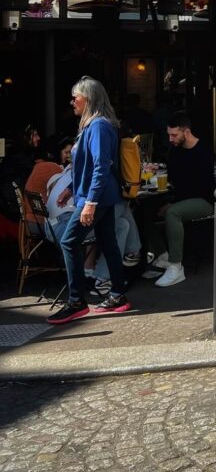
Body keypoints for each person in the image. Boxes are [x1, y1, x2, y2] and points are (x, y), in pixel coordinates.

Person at [47, 77, 130, 324]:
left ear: (89, 99)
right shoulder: (94, 126)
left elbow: (101, 166)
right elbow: (88, 165)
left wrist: (90, 202)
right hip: (98, 194)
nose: (72, 101)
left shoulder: (98, 127)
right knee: (108, 241)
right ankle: (117, 295)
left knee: (69, 241)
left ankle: (76, 301)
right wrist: (72, 188)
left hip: (97, 196)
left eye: (76, 97)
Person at [149, 112, 215, 287]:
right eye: (169, 134)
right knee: (146, 209)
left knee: (172, 213)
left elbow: (201, 186)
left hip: (204, 201)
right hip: (182, 197)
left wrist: (173, 202)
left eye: (174, 135)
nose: (170, 138)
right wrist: (157, 168)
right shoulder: (176, 151)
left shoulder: (203, 151)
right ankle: (162, 254)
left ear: (186, 132)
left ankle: (176, 267)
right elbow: (173, 177)